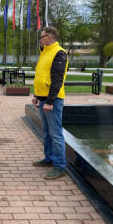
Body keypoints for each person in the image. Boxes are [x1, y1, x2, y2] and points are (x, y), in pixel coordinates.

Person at [32, 26, 68, 180]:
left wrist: (50, 101)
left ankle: (60, 166)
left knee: (55, 133)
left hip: (52, 100)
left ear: (50, 37)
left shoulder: (59, 53)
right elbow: (41, 76)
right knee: (47, 132)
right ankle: (49, 159)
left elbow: (57, 80)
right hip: (43, 98)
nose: (40, 39)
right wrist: (37, 96)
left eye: (42, 36)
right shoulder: (45, 52)